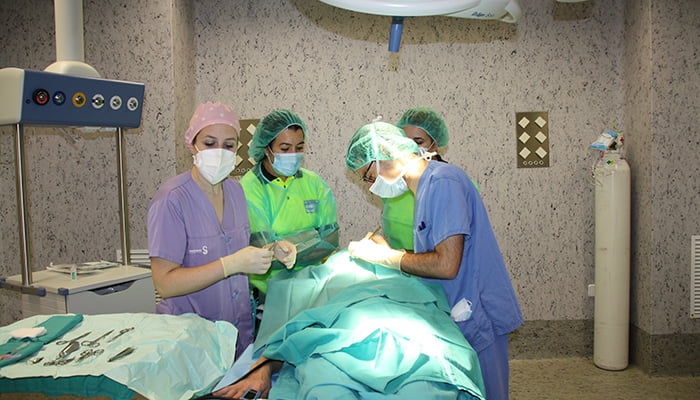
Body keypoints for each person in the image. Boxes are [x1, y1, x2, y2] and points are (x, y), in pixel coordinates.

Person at [345, 121, 523, 400]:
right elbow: (436, 251)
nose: (370, 187)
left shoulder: (443, 182)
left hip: (477, 315)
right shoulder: (424, 188)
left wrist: (388, 258)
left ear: (384, 154)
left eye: (368, 176)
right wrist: (389, 250)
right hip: (459, 312)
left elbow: (446, 265)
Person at [147, 102, 295, 358]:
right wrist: (229, 265)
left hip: (237, 334)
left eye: (228, 145)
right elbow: (165, 284)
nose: (220, 152)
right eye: (209, 143)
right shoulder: (172, 199)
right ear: (192, 144)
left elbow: (235, 250)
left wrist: (272, 250)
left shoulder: (236, 191)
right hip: (189, 341)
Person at [240, 109, 339, 296]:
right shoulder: (250, 188)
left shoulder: (314, 183)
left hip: (314, 283)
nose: (293, 155)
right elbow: (263, 251)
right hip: (269, 291)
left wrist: (288, 245)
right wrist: (310, 238)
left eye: (299, 148)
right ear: (266, 149)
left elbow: (330, 240)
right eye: (285, 149)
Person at [382, 106, 450, 251]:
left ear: (434, 144)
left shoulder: (451, 184)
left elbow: (449, 254)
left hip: (434, 265)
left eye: (418, 142)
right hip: (398, 264)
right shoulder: (393, 185)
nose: (411, 148)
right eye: (405, 142)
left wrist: (395, 258)